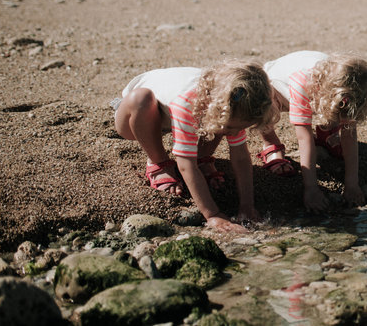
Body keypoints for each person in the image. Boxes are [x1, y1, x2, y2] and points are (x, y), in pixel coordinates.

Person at [112, 59, 279, 232]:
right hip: (135, 117)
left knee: (219, 124)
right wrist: (213, 214)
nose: (232, 132)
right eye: (231, 128)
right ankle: (158, 162)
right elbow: (185, 164)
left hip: (181, 114)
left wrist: (247, 205)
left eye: (239, 128)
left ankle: (203, 158)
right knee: (141, 98)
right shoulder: (188, 102)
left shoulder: (236, 104)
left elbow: (241, 157)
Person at [259, 51, 367, 212]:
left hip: (324, 90)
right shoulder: (301, 84)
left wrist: (352, 183)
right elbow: (304, 138)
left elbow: (349, 134)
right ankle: (270, 141)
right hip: (271, 85)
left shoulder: (352, 87)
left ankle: (325, 132)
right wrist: (311, 188)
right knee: (264, 105)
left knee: (336, 110)